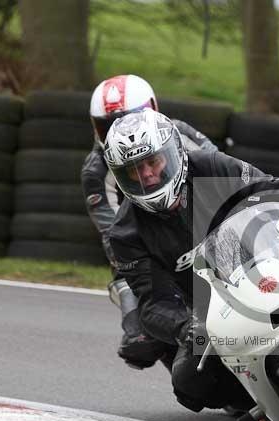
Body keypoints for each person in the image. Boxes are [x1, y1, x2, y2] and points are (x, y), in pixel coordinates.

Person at [103, 108, 279, 413]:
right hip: (217, 314)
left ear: (173, 153)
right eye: (134, 170)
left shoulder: (210, 167)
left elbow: (277, 190)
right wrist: (184, 328)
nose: (148, 174)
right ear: (119, 175)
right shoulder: (125, 233)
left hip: (271, 265)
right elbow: (153, 303)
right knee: (189, 383)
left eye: (152, 161)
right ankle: (255, 405)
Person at [81, 74, 217, 371]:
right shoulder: (96, 172)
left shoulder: (178, 134)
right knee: (140, 339)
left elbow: (219, 173)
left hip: (200, 225)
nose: (123, 131)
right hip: (146, 247)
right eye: (108, 125)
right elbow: (112, 237)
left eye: (133, 118)